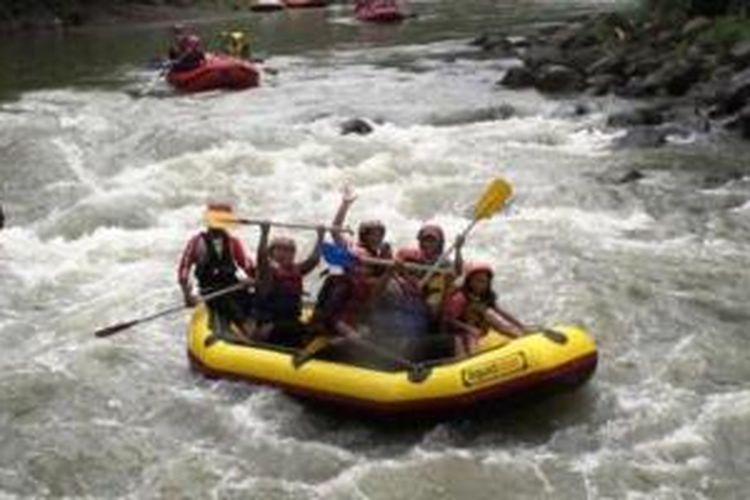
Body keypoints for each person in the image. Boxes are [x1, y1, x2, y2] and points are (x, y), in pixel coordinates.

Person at [177, 203, 257, 343]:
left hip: (232, 285)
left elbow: (246, 264)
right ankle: (249, 339)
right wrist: (187, 295)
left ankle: (254, 333)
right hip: (211, 290)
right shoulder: (197, 242)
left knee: (253, 302)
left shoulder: (233, 242)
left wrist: (250, 279)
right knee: (232, 308)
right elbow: (184, 269)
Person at [254, 222, 325, 347]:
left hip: (291, 322)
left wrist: (320, 237)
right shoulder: (267, 271)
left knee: (316, 331)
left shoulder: (296, 269)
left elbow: (314, 260)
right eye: (280, 249)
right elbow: (261, 257)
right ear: (272, 252)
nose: (285, 253)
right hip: (271, 325)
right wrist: (264, 234)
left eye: (289, 250)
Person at [442, 263, 525, 357]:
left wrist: (521, 326)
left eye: (485, 282)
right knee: (470, 339)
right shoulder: (460, 298)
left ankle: (520, 337)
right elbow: (449, 320)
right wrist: (469, 328)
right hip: (460, 332)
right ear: (470, 281)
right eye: (478, 281)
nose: (482, 285)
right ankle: (470, 360)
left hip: (477, 327)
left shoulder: (484, 296)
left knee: (491, 317)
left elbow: (501, 313)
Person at [396, 224, 465, 323]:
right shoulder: (407, 255)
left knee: (441, 286)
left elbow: (458, 271)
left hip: (428, 300)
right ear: (420, 242)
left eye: (432, 241)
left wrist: (458, 249)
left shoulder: (442, 263)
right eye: (425, 240)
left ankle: (435, 323)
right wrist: (402, 271)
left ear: (439, 244)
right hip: (407, 295)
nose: (428, 244)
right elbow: (394, 268)